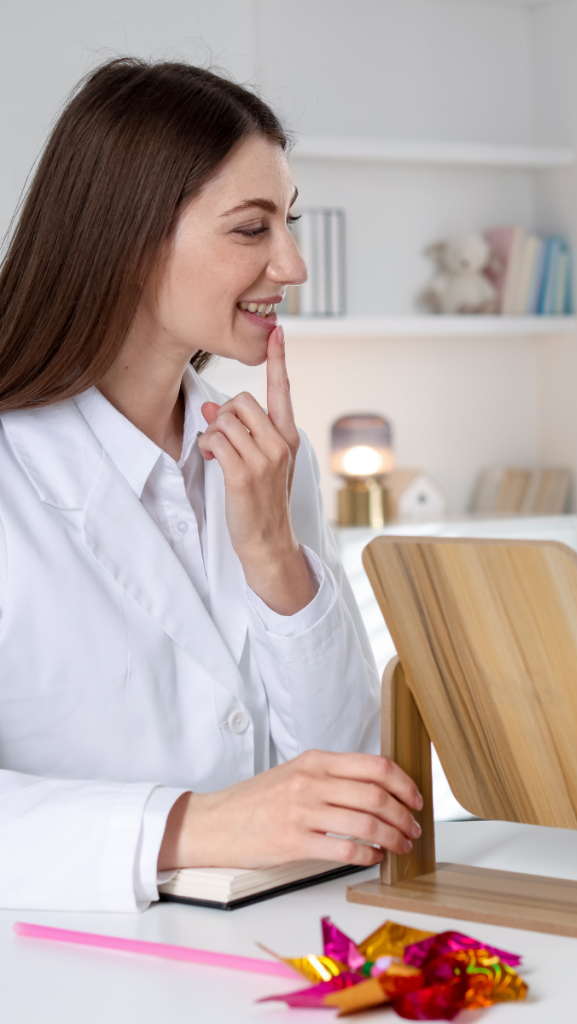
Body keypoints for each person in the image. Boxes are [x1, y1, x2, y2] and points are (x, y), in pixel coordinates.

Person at [0, 58, 422, 913]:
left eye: (289, 223)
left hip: (265, 944)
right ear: (127, 239)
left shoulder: (263, 462)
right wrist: (195, 825)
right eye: (252, 229)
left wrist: (274, 556)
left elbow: (345, 783)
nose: (294, 265)